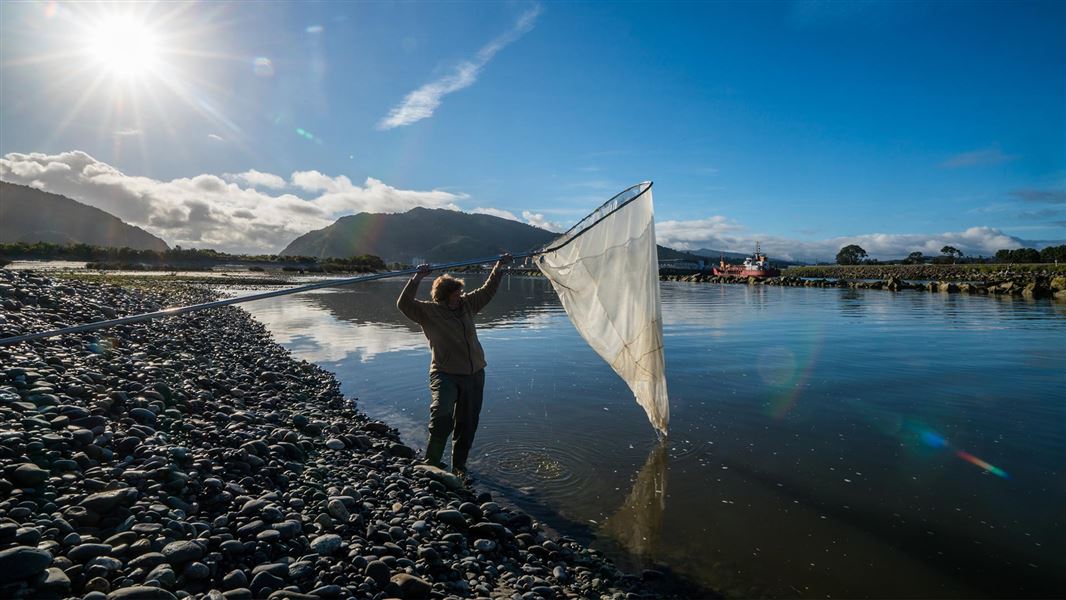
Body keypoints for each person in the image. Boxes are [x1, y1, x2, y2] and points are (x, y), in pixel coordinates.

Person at [396, 253, 512, 476]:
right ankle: (432, 463)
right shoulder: (428, 312)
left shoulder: (468, 305)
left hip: (475, 373)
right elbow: (403, 304)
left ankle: (459, 467)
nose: (461, 295)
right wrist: (417, 278)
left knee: (467, 424)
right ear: (444, 295)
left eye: (460, 292)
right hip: (445, 374)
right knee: (441, 415)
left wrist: (498, 266)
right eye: (456, 293)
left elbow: (488, 290)